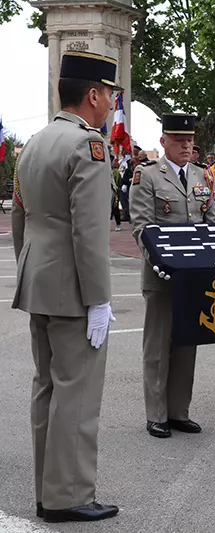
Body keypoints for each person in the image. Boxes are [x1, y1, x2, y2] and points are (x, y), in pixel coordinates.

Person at [12, 50, 119, 522]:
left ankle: (46, 489)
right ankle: (69, 495)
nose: (114, 102)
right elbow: (90, 232)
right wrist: (99, 299)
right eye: (111, 94)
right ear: (92, 94)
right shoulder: (88, 145)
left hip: (38, 278)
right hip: (73, 288)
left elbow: (20, 218)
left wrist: (28, 269)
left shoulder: (35, 142)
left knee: (47, 387)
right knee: (76, 392)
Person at [129, 113, 215, 438]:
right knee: (158, 345)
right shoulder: (148, 175)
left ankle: (179, 411)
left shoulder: (202, 177)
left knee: (186, 343)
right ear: (163, 141)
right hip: (161, 276)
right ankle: (156, 414)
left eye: (189, 139)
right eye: (178, 139)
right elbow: (141, 227)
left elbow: (214, 220)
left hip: (194, 277)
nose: (186, 144)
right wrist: (158, 262)